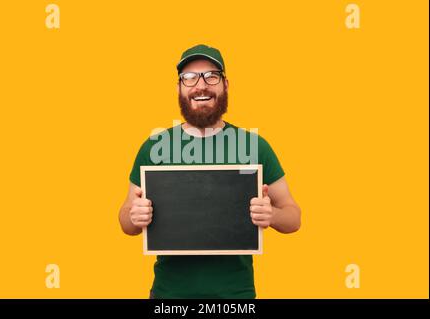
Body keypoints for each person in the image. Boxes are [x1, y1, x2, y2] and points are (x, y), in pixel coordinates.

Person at [119, 44, 301, 299]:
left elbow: (293, 218)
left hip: (235, 298)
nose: (200, 85)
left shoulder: (254, 146)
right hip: (168, 297)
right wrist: (134, 216)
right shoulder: (154, 147)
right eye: (189, 78)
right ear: (179, 88)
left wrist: (272, 215)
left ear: (225, 84)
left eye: (211, 76)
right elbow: (126, 221)